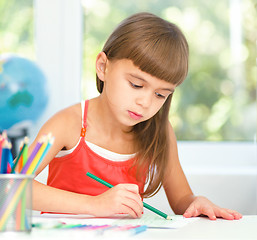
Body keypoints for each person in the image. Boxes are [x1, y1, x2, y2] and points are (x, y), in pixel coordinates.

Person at [30, 12, 242, 220]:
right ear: (103, 67)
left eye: (160, 95)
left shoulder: (160, 130)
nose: (146, 103)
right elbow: (9, 187)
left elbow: (182, 201)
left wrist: (196, 202)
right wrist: (94, 204)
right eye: (136, 85)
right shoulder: (66, 124)